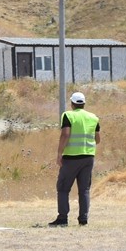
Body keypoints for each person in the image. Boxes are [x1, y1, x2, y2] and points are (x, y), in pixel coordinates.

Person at [50, 92, 100, 227]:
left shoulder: (68, 115)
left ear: (72, 103)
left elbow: (65, 134)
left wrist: (59, 153)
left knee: (63, 188)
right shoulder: (93, 117)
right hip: (88, 157)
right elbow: (97, 139)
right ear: (84, 103)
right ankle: (83, 218)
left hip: (71, 158)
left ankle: (62, 218)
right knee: (84, 189)